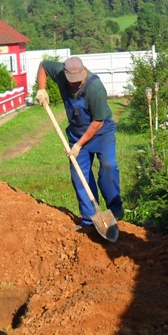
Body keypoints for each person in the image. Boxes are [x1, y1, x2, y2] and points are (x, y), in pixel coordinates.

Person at [35, 57, 125, 227]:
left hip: (101, 133)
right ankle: (90, 219)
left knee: (108, 165)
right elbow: (42, 66)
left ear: (84, 72)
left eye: (79, 81)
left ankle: (115, 208)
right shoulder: (60, 72)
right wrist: (42, 89)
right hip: (77, 133)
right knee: (79, 175)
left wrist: (79, 145)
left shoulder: (95, 88)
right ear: (65, 74)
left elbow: (98, 121)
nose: (76, 84)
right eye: (72, 81)